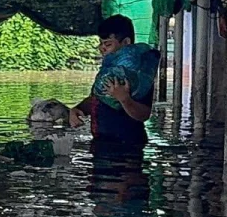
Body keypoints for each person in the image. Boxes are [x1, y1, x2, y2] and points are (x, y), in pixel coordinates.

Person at [68, 15, 159, 153]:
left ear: (126, 42)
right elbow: (97, 100)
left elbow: (144, 114)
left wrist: (124, 99)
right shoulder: (108, 72)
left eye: (108, 44)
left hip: (128, 146)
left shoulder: (138, 75)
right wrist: (77, 109)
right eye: (101, 43)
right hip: (101, 142)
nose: (102, 48)